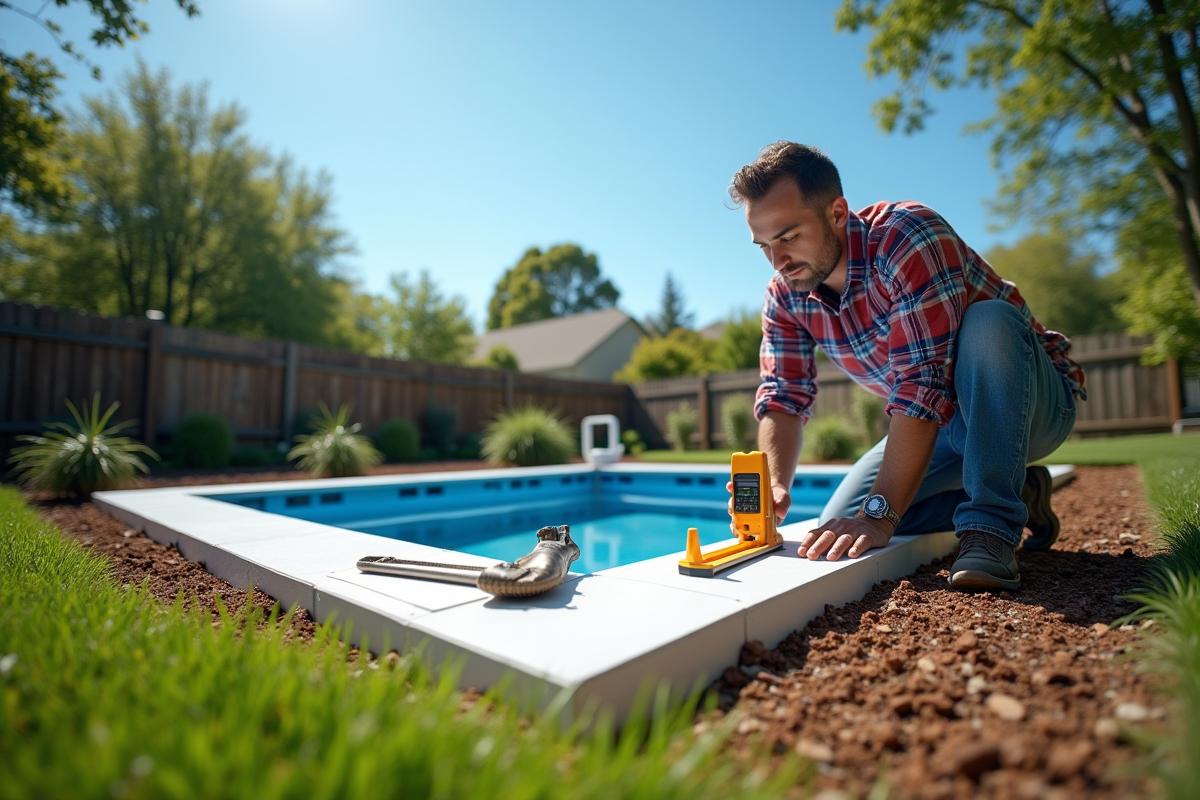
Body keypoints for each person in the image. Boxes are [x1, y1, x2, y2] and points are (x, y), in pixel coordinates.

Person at [729, 141, 1084, 591]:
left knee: (989, 319)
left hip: (1032, 405)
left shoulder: (906, 235)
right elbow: (783, 393)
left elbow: (921, 383)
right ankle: (1025, 493)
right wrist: (774, 485)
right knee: (843, 516)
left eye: (789, 237)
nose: (777, 261)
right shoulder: (785, 293)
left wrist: (880, 517)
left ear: (837, 212)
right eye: (764, 245)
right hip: (944, 424)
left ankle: (991, 529)